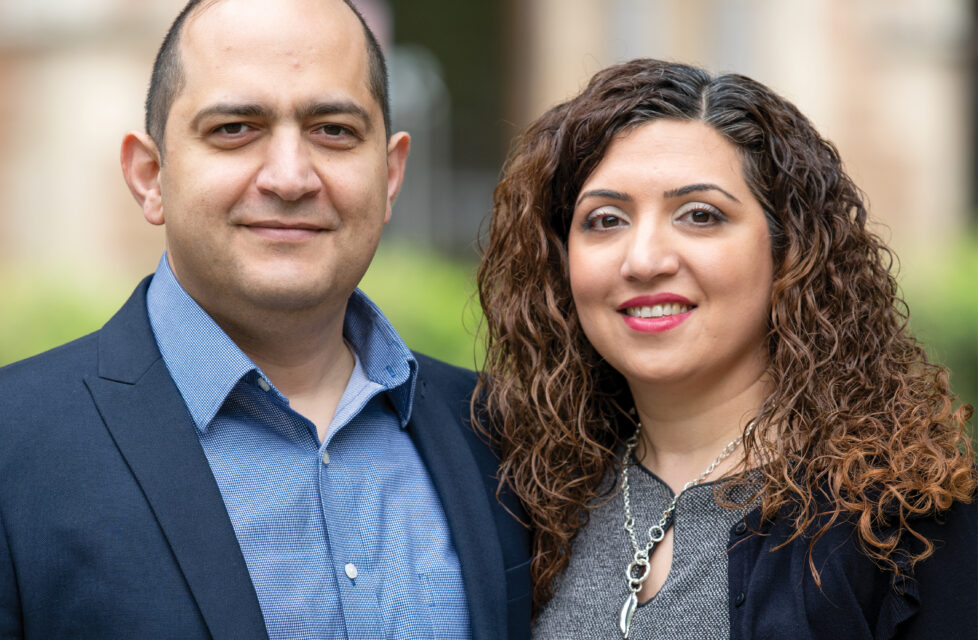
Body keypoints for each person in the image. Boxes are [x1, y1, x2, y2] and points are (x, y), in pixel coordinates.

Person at [0, 1, 531, 638]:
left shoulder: (502, 436)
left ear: (389, 175)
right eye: (234, 128)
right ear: (150, 176)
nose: (289, 177)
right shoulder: (14, 446)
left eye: (333, 129)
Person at [477, 58, 976, 639]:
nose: (643, 260)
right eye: (605, 220)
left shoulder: (901, 524)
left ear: (791, 252)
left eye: (699, 215)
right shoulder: (531, 500)